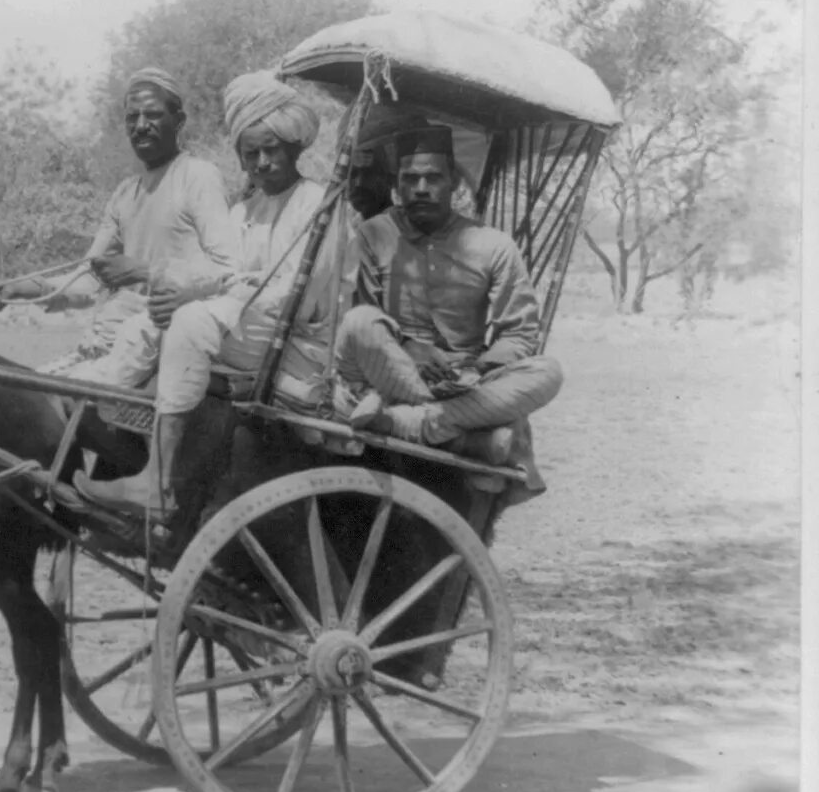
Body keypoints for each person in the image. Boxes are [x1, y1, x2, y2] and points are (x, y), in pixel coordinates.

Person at [74, 70, 336, 517]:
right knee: (146, 321)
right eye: (251, 153)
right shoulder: (244, 210)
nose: (262, 163)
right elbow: (220, 273)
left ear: (294, 148)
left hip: (298, 344)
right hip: (253, 328)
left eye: (272, 150)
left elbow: (300, 297)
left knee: (191, 323)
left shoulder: (317, 203)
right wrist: (189, 290)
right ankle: (91, 406)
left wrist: (217, 296)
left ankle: (157, 482)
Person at [0, 68, 238, 374]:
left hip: (163, 347)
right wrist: (17, 289)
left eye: (152, 114)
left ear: (179, 121)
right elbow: (88, 280)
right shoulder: (125, 194)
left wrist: (144, 271)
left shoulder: (198, 176)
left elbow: (227, 269)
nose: (140, 125)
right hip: (109, 345)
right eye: (131, 117)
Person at [335, 123, 563, 467]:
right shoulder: (373, 235)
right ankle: (457, 428)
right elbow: (363, 315)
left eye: (433, 178)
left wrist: (474, 370)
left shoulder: (493, 245)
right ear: (398, 184)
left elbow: (519, 334)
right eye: (410, 179)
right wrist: (409, 346)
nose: (421, 189)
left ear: (453, 181)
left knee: (549, 372)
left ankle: (408, 423)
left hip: (466, 384)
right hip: (392, 372)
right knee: (357, 322)